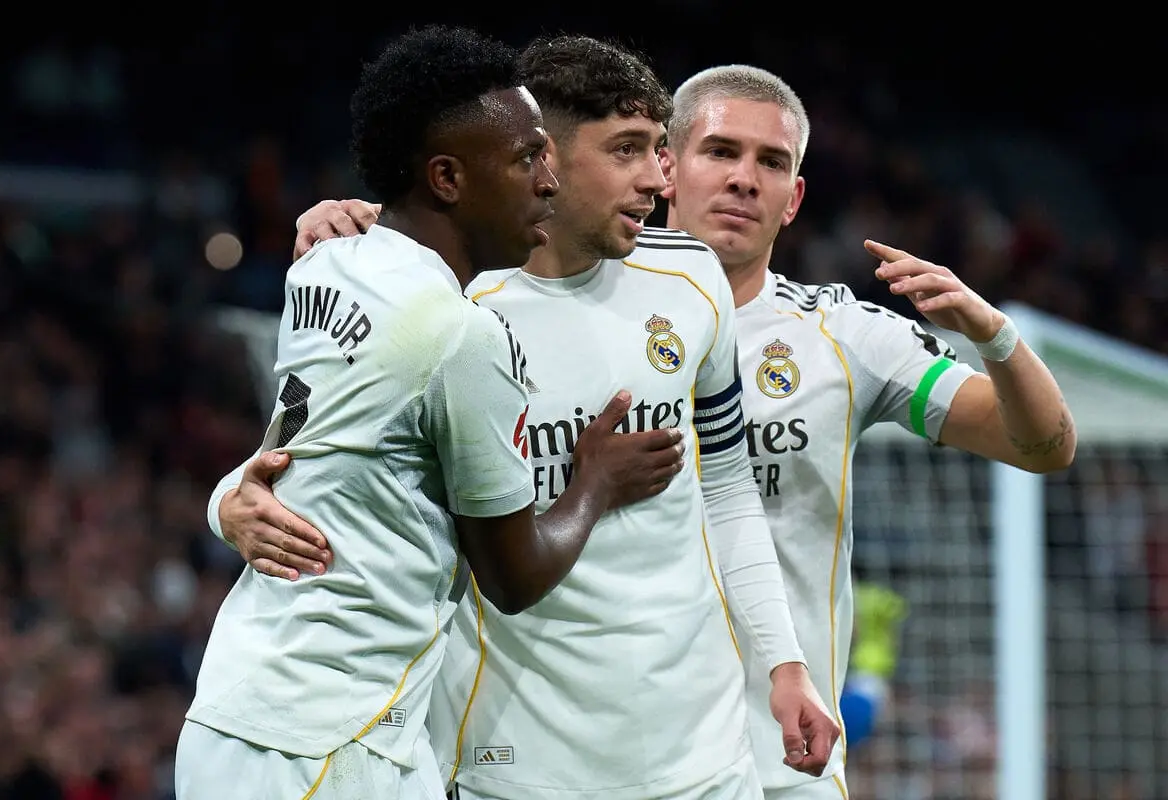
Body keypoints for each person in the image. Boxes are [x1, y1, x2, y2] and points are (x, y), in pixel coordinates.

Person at [283, 61, 1079, 799]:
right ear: (669, 171)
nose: (743, 178)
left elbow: (1042, 446)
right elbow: (331, 445)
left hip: (779, 745)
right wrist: (365, 238)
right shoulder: (479, 305)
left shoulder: (846, 333)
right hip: (571, 742)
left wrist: (995, 335)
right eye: (720, 151)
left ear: (794, 198)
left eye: (772, 163)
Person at [208, 36, 841, 800]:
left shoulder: (691, 279)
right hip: (505, 759)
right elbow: (316, 455)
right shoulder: (451, 306)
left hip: (699, 755)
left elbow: (730, 485)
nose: (658, 176)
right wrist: (230, 498)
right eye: (627, 150)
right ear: (548, 159)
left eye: (657, 148)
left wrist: (784, 661)